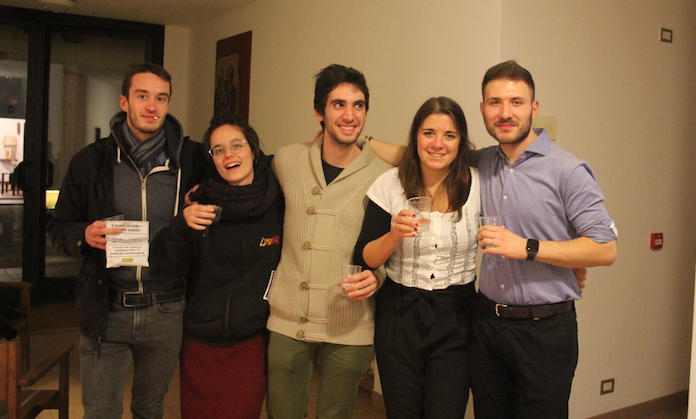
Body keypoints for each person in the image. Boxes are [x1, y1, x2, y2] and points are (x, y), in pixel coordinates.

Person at [48, 63, 207, 419]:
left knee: (150, 409)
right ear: (124, 102)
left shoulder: (192, 160)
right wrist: (83, 235)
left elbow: (241, 167)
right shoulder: (91, 161)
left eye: (161, 98)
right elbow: (59, 226)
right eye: (142, 96)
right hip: (108, 308)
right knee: (101, 412)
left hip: (167, 308)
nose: (152, 106)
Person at [469, 60, 617, 418]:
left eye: (516, 102)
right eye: (495, 102)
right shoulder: (481, 162)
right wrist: (359, 142)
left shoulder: (567, 169)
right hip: (486, 325)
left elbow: (605, 247)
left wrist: (528, 247)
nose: (505, 113)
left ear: (534, 108)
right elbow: (424, 156)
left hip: (545, 331)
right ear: (483, 109)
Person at [266, 64, 391, 419]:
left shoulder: (384, 174)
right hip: (289, 316)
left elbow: (395, 243)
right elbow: (246, 186)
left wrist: (378, 277)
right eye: (339, 105)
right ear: (319, 112)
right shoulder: (287, 160)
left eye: (358, 105)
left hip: (348, 320)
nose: (350, 115)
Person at [353, 97, 479, 419]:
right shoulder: (389, 184)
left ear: (461, 141)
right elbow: (366, 256)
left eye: (449, 135)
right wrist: (393, 234)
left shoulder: (479, 185)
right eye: (428, 133)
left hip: (457, 316)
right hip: (400, 313)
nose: (438, 144)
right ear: (415, 137)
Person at [151, 115, 283, 419]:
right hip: (201, 342)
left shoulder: (279, 201)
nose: (229, 155)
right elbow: (168, 266)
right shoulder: (200, 204)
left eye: (237, 145)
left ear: (253, 150)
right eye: (218, 150)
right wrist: (180, 225)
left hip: (252, 342)